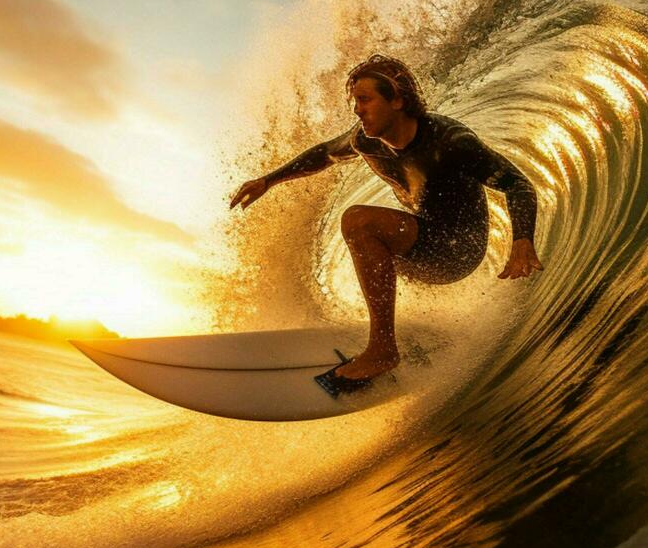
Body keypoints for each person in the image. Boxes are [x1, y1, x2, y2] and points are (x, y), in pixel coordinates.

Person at [230, 54, 543, 394]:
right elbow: (324, 153)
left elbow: (517, 184)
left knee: (360, 222)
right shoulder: (367, 141)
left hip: (457, 252)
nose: (357, 110)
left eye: (365, 100)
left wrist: (522, 241)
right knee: (367, 246)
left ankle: (382, 350)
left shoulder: (451, 142)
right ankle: (401, 339)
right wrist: (269, 180)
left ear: (397, 99)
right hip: (417, 248)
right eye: (355, 102)